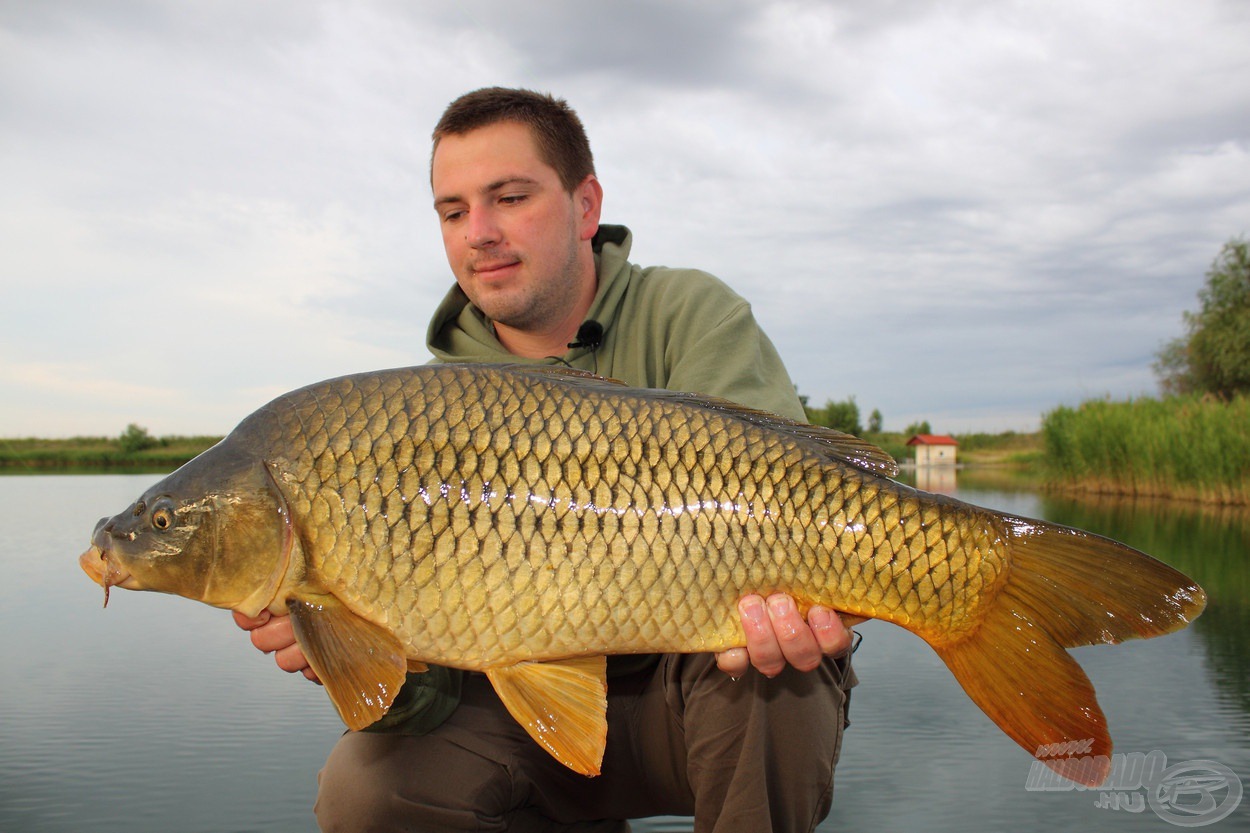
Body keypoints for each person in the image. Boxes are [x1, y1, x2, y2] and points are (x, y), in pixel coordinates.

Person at [235, 87, 857, 832]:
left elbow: (800, 508)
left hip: (698, 697)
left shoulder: (688, 314)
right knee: (364, 788)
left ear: (585, 205)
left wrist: (810, 603)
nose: (480, 233)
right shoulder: (425, 413)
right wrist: (348, 650)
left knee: (775, 670)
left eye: (509, 197)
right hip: (525, 723)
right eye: (454, 211)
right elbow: (426, 697)